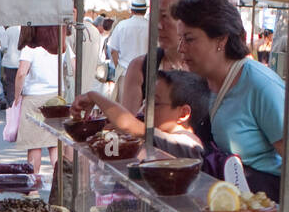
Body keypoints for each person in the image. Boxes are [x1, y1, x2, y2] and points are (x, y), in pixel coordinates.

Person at [174, 0, 286, 199]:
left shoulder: (259, 84)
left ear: (221, 40)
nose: (181, 48)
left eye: (189, 39)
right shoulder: (200, 81)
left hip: (257, 204)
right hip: (218, 198)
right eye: (180, 39)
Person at [72, 68, 207, 159]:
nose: (144, 110)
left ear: (183, 113)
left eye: (155, 104)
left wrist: (94, 96)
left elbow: (127, 125)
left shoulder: (188, 143)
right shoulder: (164, 138)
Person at [118, 0, 202, 114]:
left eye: (164, 16)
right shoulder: (140, 68)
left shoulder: (208, 71)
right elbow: (128, 128)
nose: (158, 25)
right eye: (154, 16)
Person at [11, 25, 63, 169]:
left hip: (34, 97)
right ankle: (58, 183)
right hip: (57, 97)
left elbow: (21, 73)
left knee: (34, 145)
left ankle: (34, 187)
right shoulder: (61, 44)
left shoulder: (30, 48)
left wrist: (17, 96)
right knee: (55, 144)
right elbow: (73, 65)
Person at [108, 0, 150, 76]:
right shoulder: (151, 27)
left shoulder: (121, 26)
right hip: (145, 73)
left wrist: (118, 68)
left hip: (125, 72)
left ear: (131, 10)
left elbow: (113, 50)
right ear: (145, 11)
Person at [1, 25, 22, 109]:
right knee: (21, 83)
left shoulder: (8, 30)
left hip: (9, 61)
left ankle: (12, 104)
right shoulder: (23, 29)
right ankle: (20, 103)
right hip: (22, 60)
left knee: (10, 84)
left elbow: (3, 46)